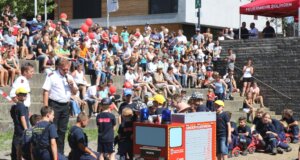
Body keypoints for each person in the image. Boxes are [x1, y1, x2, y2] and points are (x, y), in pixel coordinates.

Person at [42, 58, 79, 154]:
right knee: (53, 129)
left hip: (65, 106)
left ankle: (60, 153)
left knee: (62, 131)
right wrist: (46, 108)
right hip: (54, 105)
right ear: (59, 67)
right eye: (64, 69)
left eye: (67, 69)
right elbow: (46, 91)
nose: (66, 71)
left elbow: (75, 92)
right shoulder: (52, 76)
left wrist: (71, 85)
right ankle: (51, 152)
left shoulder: (69, 77)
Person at [10, 87, 30, 160]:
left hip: (17, 129)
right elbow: (22, 118)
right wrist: (26, 129)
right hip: (22, 130)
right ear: (17, 96)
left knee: (15, 146)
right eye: (21, 94)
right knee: (19, 148)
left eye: (25, 94)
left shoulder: (15, 106)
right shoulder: (21, 106)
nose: (24, 95)